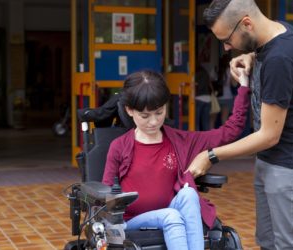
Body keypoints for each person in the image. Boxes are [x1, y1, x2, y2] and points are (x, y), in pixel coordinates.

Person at [186, 1, 293, 250]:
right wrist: (249, 56)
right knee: (267, 242)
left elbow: (269, 135)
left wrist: (211, 155)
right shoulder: (279, 32)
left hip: (289, 167)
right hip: (270, 162)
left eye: (227, 39)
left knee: (289, 246)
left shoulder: (280, 59)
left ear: (246, 23)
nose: (226, 48)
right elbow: (267, 49)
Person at [102, 70, 250, 250]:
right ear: (130, 110)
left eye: (159, 112)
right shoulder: (119, 146)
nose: (154, 122)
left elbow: (230, 131)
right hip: (132, 221)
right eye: (145, 116)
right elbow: (106, 194)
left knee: (188, 194)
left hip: (172, 212)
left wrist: (244, 86)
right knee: (171, 216)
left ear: (165, 106)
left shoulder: (181, 141)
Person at [195, 64, 213, 131]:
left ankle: (197, 140)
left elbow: (199, 87)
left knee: (196, 123)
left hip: (199, 99)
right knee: (205, 123)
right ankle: (207, 140)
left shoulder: (197, 74)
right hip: (208, 99)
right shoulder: (206, 74)